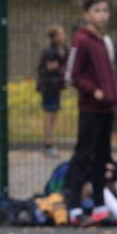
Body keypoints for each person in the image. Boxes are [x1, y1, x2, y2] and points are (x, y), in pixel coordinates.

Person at [62, 0, 117, 223]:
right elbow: (71, 74)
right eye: (97, 10)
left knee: (102, 158)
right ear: (87, 14)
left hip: (108, 108)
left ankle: (99, 205)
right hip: (91, 108)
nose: (102, 15)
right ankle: (74, 206)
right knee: (83, 155)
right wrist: (93, 90)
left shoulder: (104, 40)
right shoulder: (81, 40)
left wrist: (112, 94)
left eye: (105, 10)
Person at [36, 25, 69, 156]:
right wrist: (61, 68)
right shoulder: (50, 51)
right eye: (60, 34)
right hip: (48, 86)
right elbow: (51, 67)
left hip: (57, 86)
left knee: (54, 114)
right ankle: (48, 144)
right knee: (49, 114)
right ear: (54, 37)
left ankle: (50, 141)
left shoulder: (65, 50)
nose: (63, 36)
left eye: (63, 34)